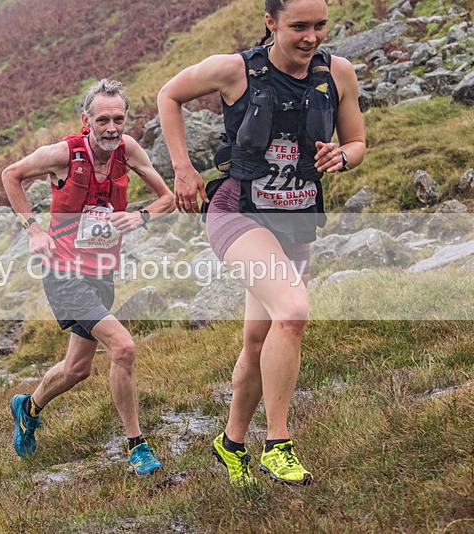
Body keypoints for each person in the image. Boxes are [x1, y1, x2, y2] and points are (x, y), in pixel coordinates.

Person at [158, 0, 365, 487]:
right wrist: (183, 169)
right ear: (270, 22)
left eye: (319, 26)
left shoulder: (339, 73)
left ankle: (229, 444)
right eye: (298, 26)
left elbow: (357, 141)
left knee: (259, 340)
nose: (311, 36)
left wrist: (344, 156)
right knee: (293, 311)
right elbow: (169, 95)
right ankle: (278, 444)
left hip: (295, 219)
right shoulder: (235, 70)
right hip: (237, 211)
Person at [2, 79, 175, 476]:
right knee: (124, 347)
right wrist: (32, 228)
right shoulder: (64, 153)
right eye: (103, 120)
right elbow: (11, 175)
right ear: (86, 120)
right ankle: (137, 446)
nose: (112, 127)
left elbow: (167, 198)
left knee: (77, 369)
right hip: (63, 271)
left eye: (118, 119)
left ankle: (27, 409)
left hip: (101, 272)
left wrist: (140, 215)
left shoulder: (128, 150)